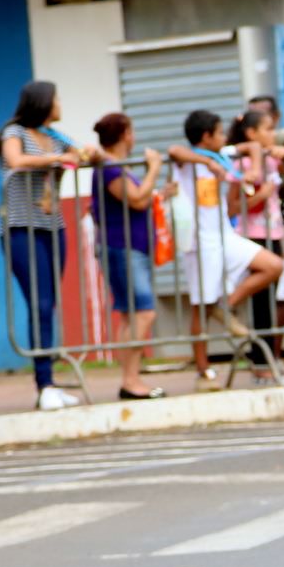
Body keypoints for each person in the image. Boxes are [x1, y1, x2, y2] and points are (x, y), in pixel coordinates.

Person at [0, 81, 96, 411]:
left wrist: (86, 153)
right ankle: (44, 384)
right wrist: (58, 158)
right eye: (56, 98)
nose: (60, 104)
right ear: (42, 102)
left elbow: (85, 155)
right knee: (38, 302)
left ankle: (50, 381)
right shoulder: (15, 132)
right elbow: (15, 160)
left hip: (52, 226)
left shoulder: (56, 136)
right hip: (21, 227)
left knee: (48, 303)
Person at [170, 110, 284, 388]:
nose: (224, 138)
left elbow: (253, 146)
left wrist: (254, 168)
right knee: (200, 307)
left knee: (273, 265)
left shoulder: (223, 153)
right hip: (200, 242)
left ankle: (227, 305)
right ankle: (203, 372)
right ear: (206, 136)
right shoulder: (189, 161)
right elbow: (174, 150)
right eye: (219, 133)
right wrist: (207, 162)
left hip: (224, 236)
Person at [91, 113, 174, 400]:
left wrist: (160, 193)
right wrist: (154, 168)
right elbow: (136, 198)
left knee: (130, 315)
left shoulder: (115, 167)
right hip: (122, 246)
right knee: (144, 312)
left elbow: (139, 198)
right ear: (126, 134)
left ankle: (131, 379)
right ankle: (130, 379)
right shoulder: (110, 167)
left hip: (131, 246)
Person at [227, 109, 284, 386]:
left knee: (274, 304)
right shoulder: (242, 163)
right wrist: (259, 195)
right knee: (262, 305)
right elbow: (233, 207)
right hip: (253, 236)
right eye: (267, 129)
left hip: (274, 234)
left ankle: (269, 363)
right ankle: (262, 366)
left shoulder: (272, 159)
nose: (272, 134)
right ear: (251, 133)